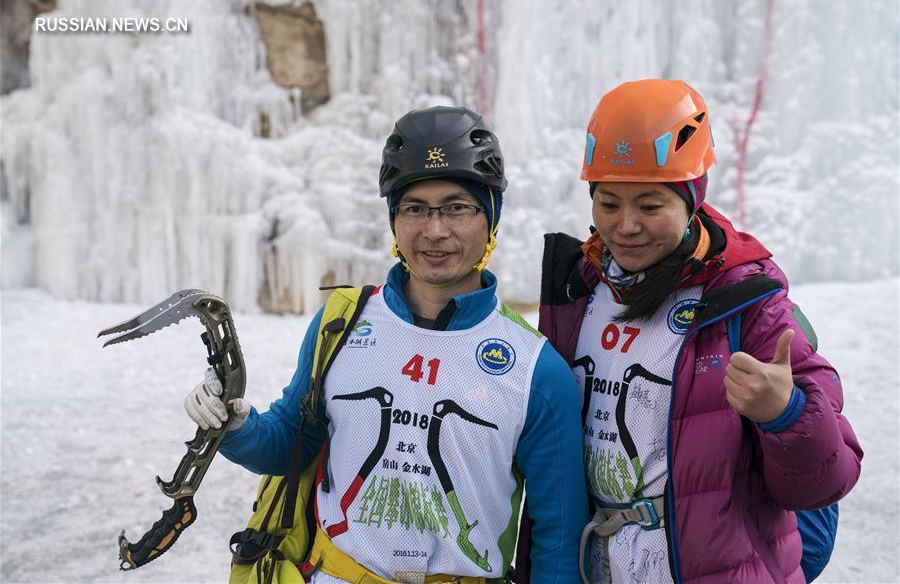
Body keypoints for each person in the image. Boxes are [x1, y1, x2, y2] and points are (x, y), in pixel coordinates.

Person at [185, 106, 588, 582]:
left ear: (491, 218)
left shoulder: (535, 371)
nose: (435, 230)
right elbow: (288, 445)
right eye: (415, 208)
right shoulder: (341, 325)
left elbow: (559, 540)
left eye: (458, 207)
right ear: (394, 221)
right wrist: (236, 425)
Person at [516, 79, 863, 583]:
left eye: (651, 206)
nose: (626, 226)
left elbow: (828, 480)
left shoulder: (750, 307)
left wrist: (785, 414)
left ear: (692, 200)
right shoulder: (579, 292)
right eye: (608, 203)